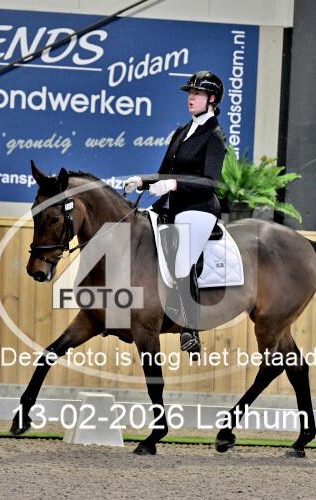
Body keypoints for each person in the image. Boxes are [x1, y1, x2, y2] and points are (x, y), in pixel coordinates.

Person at [124, 70, 227, 354]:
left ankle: (190, 328)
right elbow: (163, 173)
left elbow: (210, 183)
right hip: (172, 207)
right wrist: (143, 181)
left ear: (212, 99)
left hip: (199, 209)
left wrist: (174, 184)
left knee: (182, 259)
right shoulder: (182, 131)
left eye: (197, 94)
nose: (191, 98)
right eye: (190, 93)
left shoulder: (215, 137)